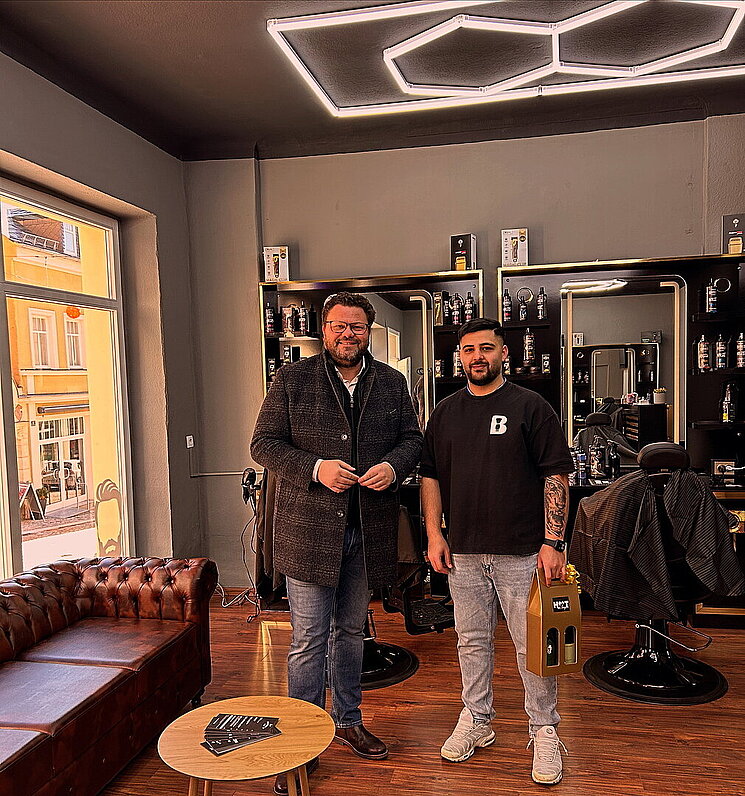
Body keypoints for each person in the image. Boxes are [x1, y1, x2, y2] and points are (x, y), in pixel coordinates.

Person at [251, 291, 422, 795]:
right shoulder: (292, 379)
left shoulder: (390, 382)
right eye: (339, 326)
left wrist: (393, 466)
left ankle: (348, 721)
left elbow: (413, 440)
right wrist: (315, 468)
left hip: (368, 531)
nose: (349, 334)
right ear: (324, 329)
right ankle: (301, 742)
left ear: (368, 332)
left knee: (350, 633)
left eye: (357, 327)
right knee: (308, 640)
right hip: (309, 532)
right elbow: (263, 444)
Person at [420, 317, 574, 786]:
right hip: (463, 552)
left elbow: (555, 475)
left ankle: (543, 728)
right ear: (459, 357)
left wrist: (553, 542)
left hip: (522, 552)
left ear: (504, 353)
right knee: (471, 641)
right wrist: (434, 535)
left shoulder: (531, 406)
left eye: (486, 348)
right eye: (468, 350)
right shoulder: (444, 413)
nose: (477, 357)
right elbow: (430, 476)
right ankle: (477, 718)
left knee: (533, 646)